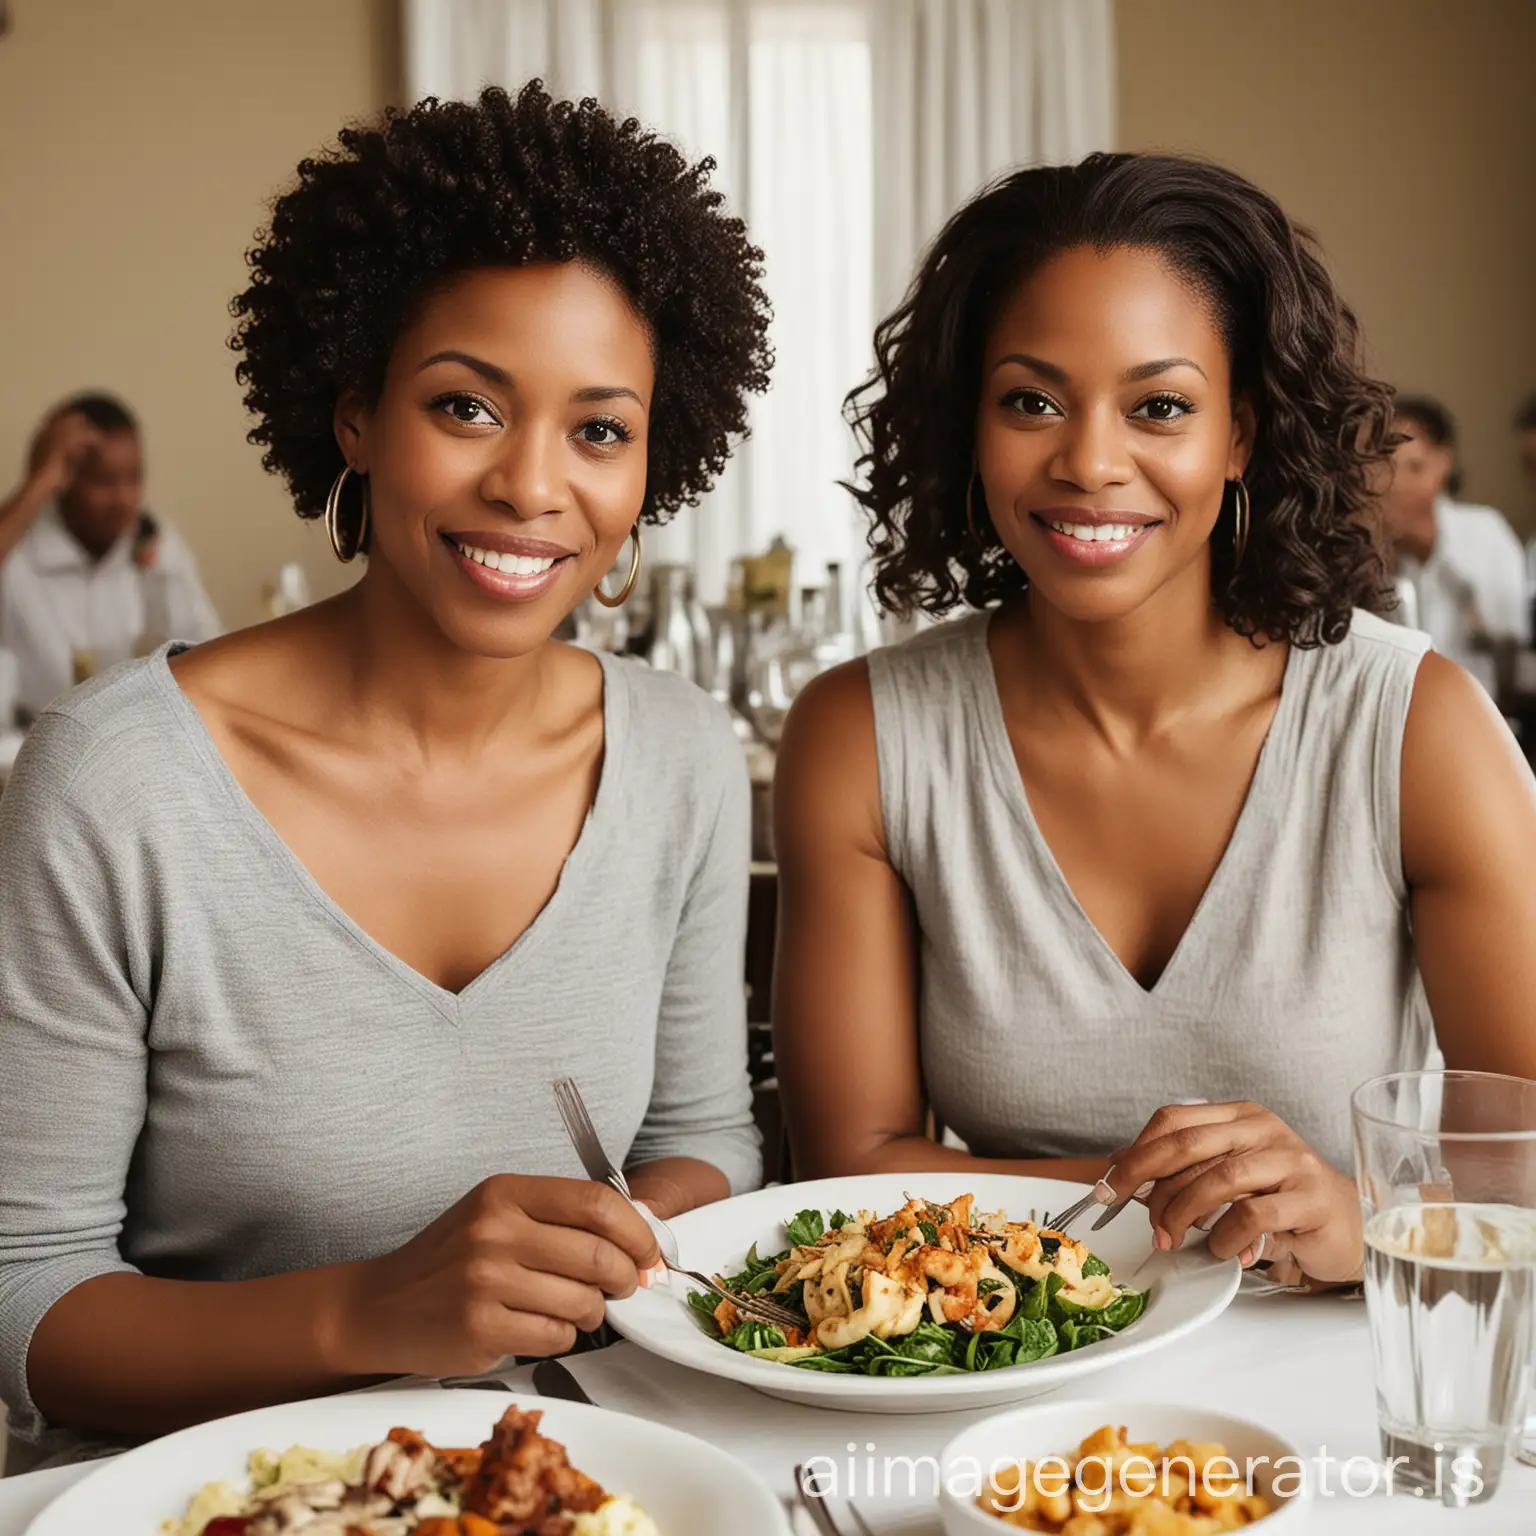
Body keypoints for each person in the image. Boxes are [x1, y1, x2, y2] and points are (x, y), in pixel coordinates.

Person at [0, 82, 771, 1464]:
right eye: (467, 406)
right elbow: (23, 1300)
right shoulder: (115, 785)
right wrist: (372, 1311)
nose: (534, 487)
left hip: (575, 1476)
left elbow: (712, 1138)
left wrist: (616, 1233)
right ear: (355, 414)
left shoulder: (683, 759)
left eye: (599, 429)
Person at [772, 154, 1536, 1293]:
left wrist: (1362, 1207)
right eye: (1030, 400)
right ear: (967, 427)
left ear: (1240, 437)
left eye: (1160, 407)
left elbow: (1521, 1161)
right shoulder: (861, 736)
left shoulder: (1416, 727)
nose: (1087, 461)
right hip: (993, 1380)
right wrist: (1224, 1197)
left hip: (1348, 1389)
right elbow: (850, 1164)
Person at [0, 393, 220, 721]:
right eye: (104, 482)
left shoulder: (155, 542)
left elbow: (208, 651)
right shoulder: (17, 549)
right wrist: (39, 479)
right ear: (63, 480)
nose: (124, 500)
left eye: (134, 479)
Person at [1377, 394, 1529, 698]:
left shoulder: (1483, 529)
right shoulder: (1361, 542)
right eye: (1385, 466)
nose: (1395, 483)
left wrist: (1426, 544)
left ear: (1442, 465)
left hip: (1477, 704)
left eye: (1414, 467)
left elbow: (1510, 633)